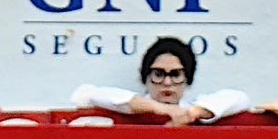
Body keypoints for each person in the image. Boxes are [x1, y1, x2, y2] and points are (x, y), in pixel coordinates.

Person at [71, 36, 250, 125]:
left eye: (176, 74)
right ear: (146, 77)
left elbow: (240, 98)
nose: (167, 82)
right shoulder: (129, 107)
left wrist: (194, 113)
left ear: (187, 78)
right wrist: (161, 109)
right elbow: (87, 94)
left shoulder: (194, 108)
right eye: (158, 74)